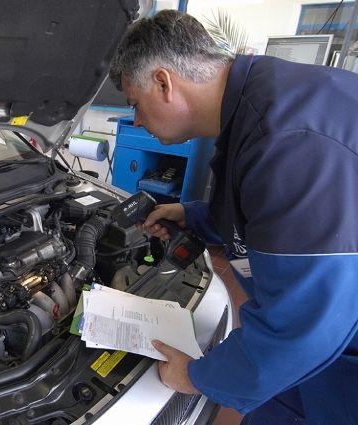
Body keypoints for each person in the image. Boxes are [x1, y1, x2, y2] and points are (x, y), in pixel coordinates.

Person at [109, 9, 358, 425]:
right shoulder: (260, 101)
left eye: (135, 104)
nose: (136, 120)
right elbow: (270, 216)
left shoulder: (288, 142)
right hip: (318, 348)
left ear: (164, 83)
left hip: (341, 358)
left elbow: (303, 327)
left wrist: (196, 376)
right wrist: (194, 216)